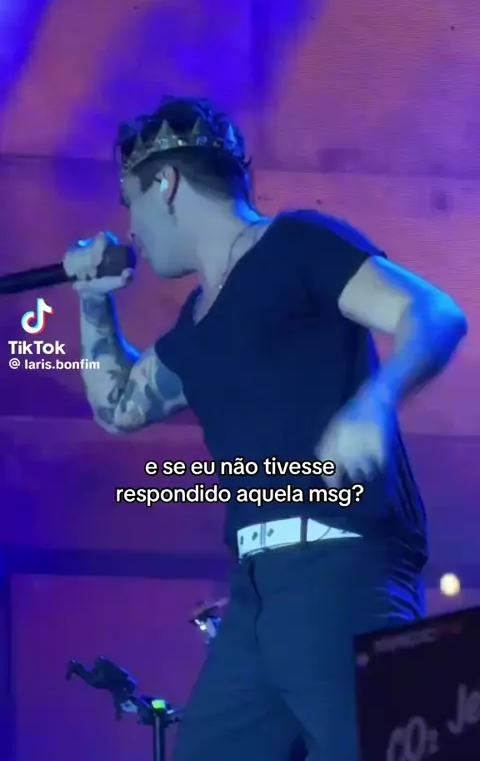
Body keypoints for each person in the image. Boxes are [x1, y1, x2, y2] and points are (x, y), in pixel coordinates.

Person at [64, 97, 467, 761]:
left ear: (165, 185)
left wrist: (375, 402)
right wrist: (92, 302)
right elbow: (117, 406)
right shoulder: (198, 324)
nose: (130, 227)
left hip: (340, 574)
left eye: (129, 200)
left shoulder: (295, 244)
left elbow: (434, 313)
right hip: (255, 598)